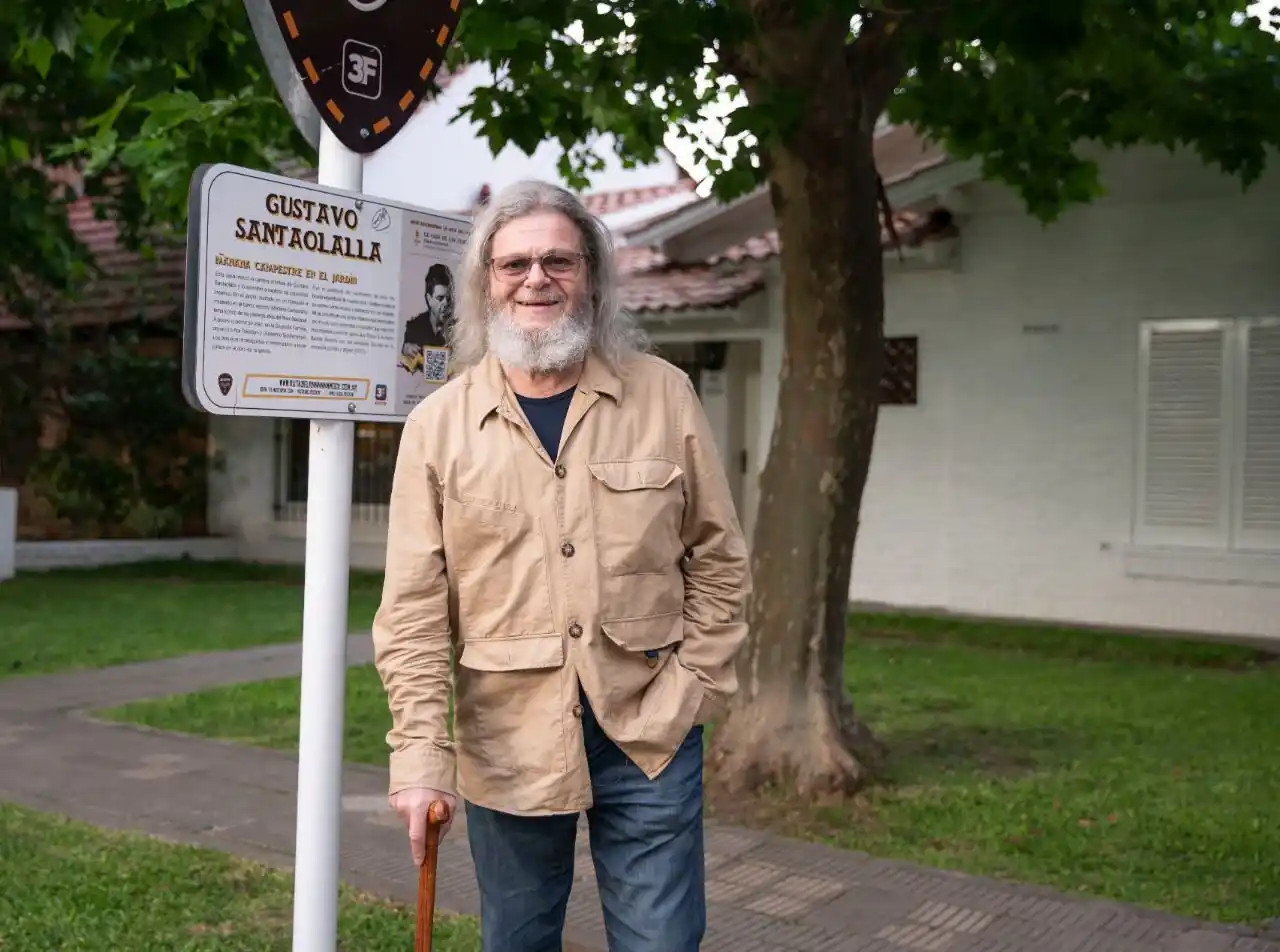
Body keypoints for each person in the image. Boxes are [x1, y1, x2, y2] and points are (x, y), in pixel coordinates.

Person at [371, 179, 752, 952]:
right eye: (513, 265)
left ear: (592, 276)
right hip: (507, 738)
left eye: (558, 260)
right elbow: (413, 609)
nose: (536, 279)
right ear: (485, 284)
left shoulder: (665, 396)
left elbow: (718, 559)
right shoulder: (437, 427)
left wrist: (690, 688)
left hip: (648, 728)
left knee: (662, 943)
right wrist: (420, 756)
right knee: (516, 940)